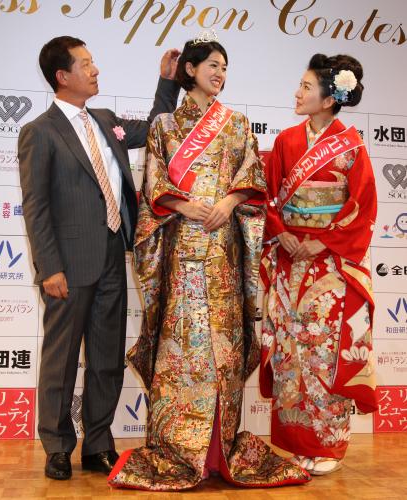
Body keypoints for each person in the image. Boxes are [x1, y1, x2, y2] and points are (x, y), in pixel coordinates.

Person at [108, 35, 309, 491]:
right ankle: (180, 448)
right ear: (191, 69)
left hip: (223, 250)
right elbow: (154, 182)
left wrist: (230, 201)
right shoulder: (164, 126)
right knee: (185, 347)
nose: (220, 74)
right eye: (213, 65)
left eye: (224, 67)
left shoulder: (236, 124)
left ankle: (220, 450)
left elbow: (253, 178)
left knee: (223, 345)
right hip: (182, 248)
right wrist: (183, 206)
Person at [18, 35, 181, 480]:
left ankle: (97, 444)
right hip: (67, 267)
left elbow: (156, 128)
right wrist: (49, 268)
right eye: (86, 64)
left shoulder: (106, 120)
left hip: (112, 255)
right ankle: (57, 446)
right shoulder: (39, 132)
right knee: (61, 360)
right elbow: (36, 207)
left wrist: (167, 82)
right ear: (62, 76)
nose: (95, 70)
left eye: (94, 62)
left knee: (107, 358)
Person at [259, 53, 377, 476]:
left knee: (323, 350)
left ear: (329, 99)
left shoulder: (352, 146)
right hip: (290, 259)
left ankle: (327, 444)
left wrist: (322, 240)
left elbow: (361, 206)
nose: (297, 93)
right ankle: (296, 442)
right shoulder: (287, 141)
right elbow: (268, 195)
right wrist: (282, 231)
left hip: (329, 266)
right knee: (291, 351)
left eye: (306, 87)